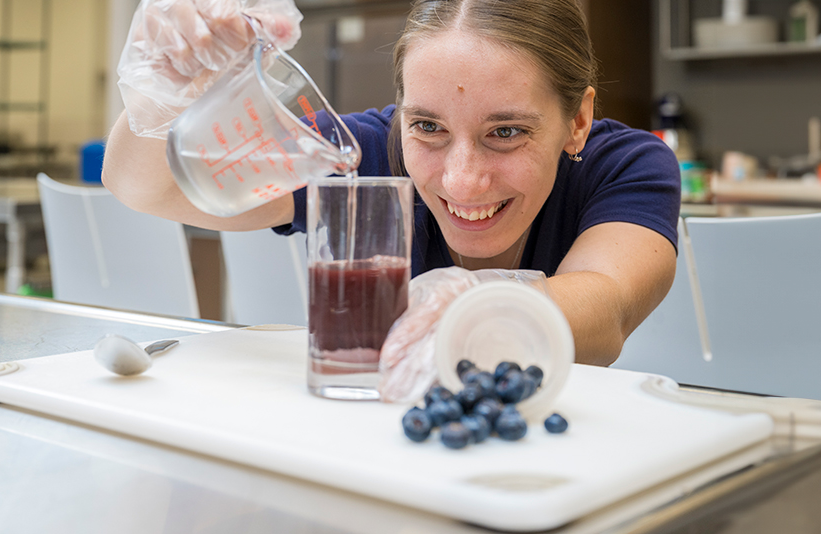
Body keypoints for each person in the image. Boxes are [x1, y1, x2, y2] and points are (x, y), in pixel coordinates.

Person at [102, 0, 680, 375]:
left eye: (506, 132)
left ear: (576, 121)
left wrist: (457, 306)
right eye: (427, 127)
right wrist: (163, 91)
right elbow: (144, 187)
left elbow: (604, 314)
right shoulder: (364, 153)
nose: (461, 179)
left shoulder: (625, 164)